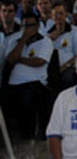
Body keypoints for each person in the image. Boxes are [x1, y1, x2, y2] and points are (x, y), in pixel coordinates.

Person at [3, 12, 54, 140]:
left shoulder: (45, 41)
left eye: (30, 25)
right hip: (13, 83)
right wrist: (23, 40)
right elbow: (10, 59)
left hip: (35, 82)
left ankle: (29, 134)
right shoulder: (14, 40)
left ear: (37, 26)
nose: (27, 28)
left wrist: (19, 59)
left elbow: (39, 61)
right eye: (24, 26)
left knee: (28, 96)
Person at [47, 0, 77, 89]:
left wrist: (65, 66)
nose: (58, 17)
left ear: (66, 14)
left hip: (69, 68)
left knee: (68, 77)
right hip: (51, 69)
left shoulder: (75, 31)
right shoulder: (47, 34)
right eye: (55, 14)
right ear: (51, 16)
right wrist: (49, 40)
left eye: (61, 13)